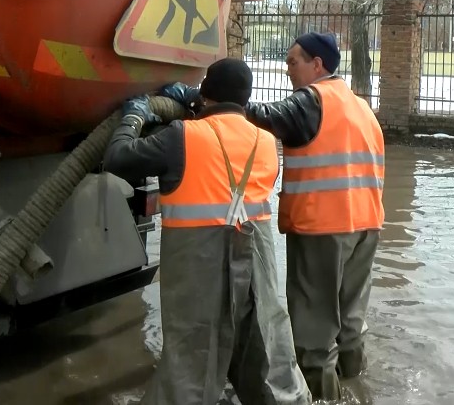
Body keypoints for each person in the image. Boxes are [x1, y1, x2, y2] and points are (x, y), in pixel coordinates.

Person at [159, 32, 385, 401]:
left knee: (313, 336)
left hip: (324, 228)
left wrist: (201, 100)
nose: (287, 68)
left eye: (293, 61)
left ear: (318, 65)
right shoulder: (359, 106)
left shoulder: (312, 100)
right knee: (350, 326)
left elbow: (257, 116)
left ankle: (316, 397)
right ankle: (357, 387)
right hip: (368, 226)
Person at [103, 58, 312, 405]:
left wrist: (134, 115)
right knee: (263, 346)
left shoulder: (180, 136)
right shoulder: (265, 141)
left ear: (205, 94)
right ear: (246, 97)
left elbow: (118, 158)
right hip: (256, 260)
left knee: (192, 354)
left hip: (197, 260)